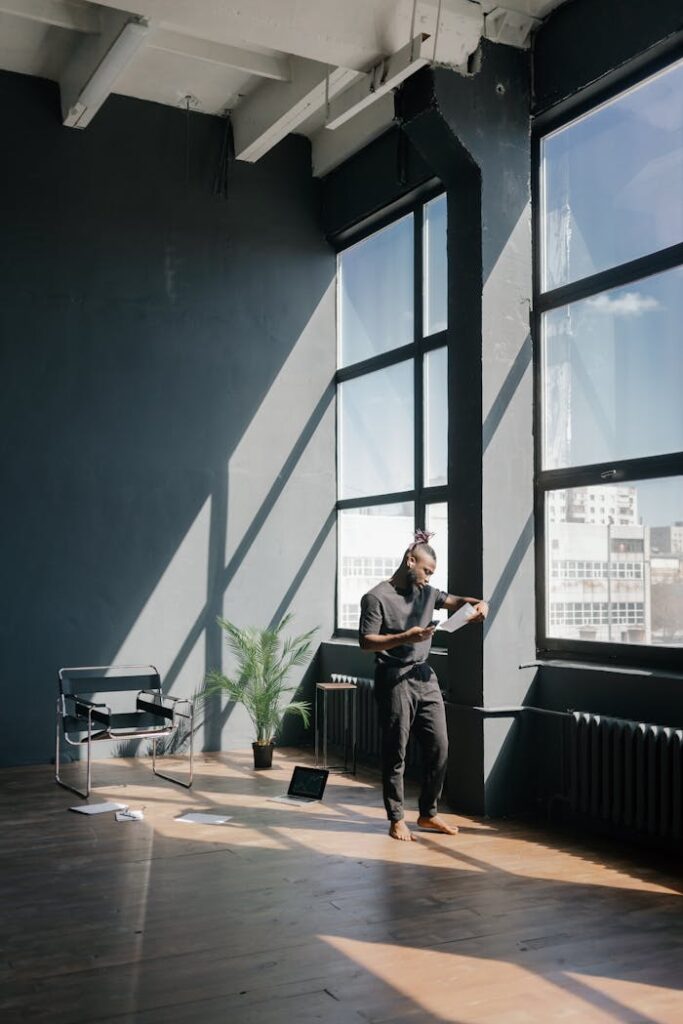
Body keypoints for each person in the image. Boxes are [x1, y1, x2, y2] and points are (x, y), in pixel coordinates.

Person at [359, 530, 488, 842]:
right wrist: (406, 637)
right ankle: (396, 818)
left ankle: (428, 814)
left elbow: (459, 601)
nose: (429, 578)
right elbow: (366, 642)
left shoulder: (428, 593)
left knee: (439, 746)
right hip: (393, 678)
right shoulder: (376, 597)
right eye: (427, 571)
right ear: (409, 561)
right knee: (395, 751)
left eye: (432, 574)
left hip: (424, 677)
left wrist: (480, 604)